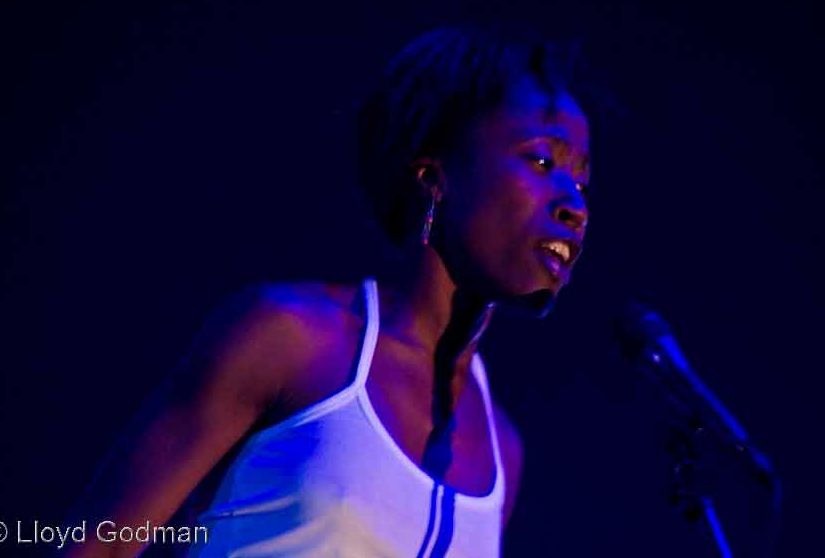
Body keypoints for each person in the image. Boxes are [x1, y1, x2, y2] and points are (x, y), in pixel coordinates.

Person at [61, 27, 592, 558]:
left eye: (582, 182)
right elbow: (97, 546)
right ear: (435, 176)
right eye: (543, 161)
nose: (575, 203)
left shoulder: (504, 451)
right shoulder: (292, 339)